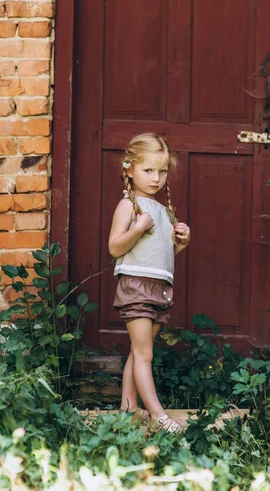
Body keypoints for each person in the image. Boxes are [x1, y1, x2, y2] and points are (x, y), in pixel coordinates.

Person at [108, 132, 190, 433]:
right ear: (129, 169)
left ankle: (128, 409)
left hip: (159, 288)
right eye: (148, 170)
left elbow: (162, 254)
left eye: (162, 171)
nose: (156, 178)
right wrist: (138, 227)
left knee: (137, 350)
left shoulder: (162, 209)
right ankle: (158, 415)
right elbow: (115, 248)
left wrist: (182, 241)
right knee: (144, 353)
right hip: (136, 286)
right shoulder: (129, 206)